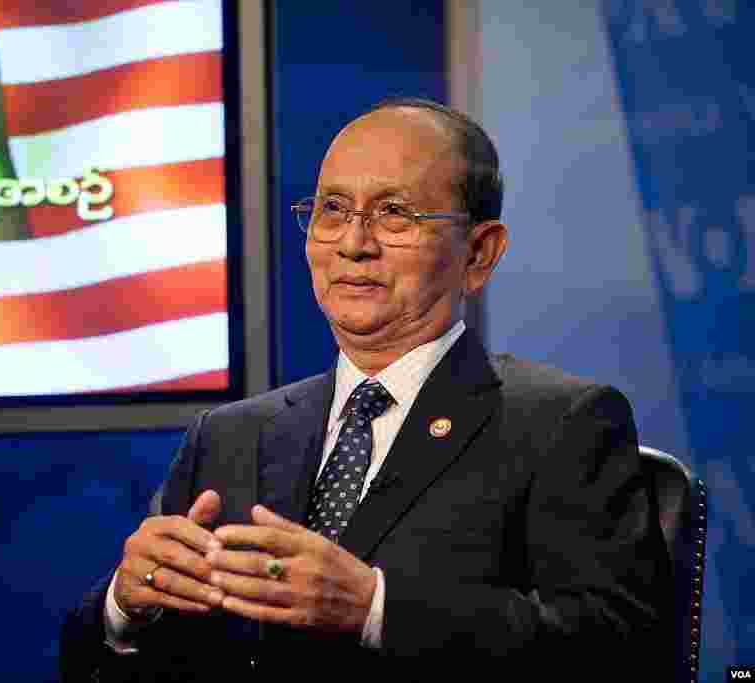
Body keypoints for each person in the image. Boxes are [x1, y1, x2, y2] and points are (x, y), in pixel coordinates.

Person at [60, 98, 673, 681]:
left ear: (479, 253)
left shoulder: (561, 425)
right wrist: (123, 609)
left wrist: (377, 609)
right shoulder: (229, 435)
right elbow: (97, 663)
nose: (354, 244)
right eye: (332, 210)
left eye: (395, 213)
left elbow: (621, 654)